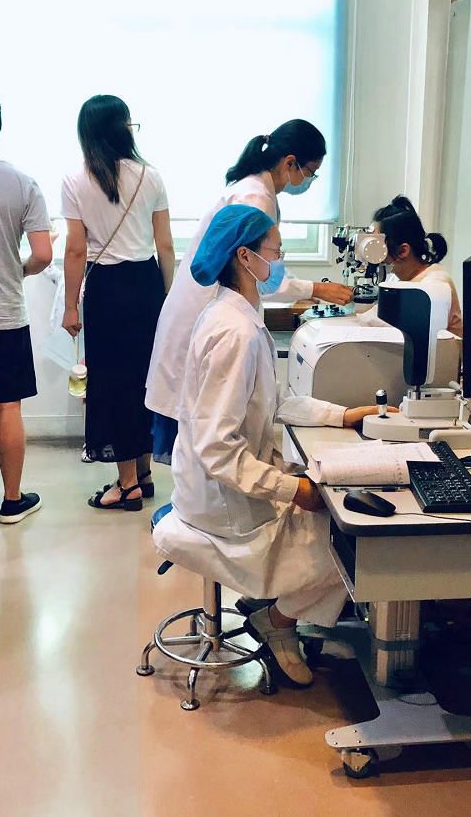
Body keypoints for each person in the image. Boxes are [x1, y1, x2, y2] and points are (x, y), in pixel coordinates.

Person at [153, 204, 395, 687]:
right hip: (223, 505)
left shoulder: (233, 314)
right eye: (277, 252)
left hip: (214, 484)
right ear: (245, 257)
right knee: (353, 542)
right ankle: (279, 621)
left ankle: (279, 607)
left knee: (331, 510)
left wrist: (341, 415)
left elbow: (270, 401)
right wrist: (294, 490)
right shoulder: (235, 333)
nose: (281, 262)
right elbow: (219, 450)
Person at [145, 119, 353, 464]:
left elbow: (261, 266)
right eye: (310, 173)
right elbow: (260, 271)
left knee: (204, 434)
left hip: (204, 309)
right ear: (290, 162)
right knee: (208, 436)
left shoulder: (253, 189)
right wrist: (317, 289)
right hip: (204, 313)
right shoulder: (254, 197)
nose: (309, 181)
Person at [62, 95, 175, 510]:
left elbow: (76, 250)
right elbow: (165, 245)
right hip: (146, 285)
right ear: (122, 128)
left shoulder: (76, 180)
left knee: (112, 383)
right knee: (144, 379)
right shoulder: (150, 176)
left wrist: (70, 307)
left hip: (106, 289)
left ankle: (127, 485)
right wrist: (168, 300)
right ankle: (142, 473)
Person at [0, 101, 53, 524]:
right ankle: (12, 500)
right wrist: (19, 269)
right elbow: (44, 254)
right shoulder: (21, 183)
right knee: (6, 406)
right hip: (3, 313)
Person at [358, 195, 463, 337]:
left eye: (378, 245)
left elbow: (402, 326)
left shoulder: (434, 285)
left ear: (403, 251)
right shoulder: (398, 277)